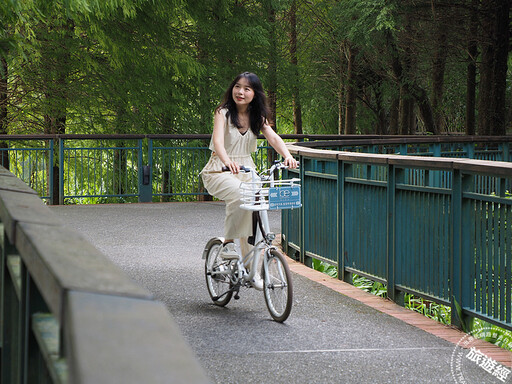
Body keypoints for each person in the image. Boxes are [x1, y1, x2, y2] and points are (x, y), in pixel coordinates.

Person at [201, 72, 298, 289]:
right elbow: (218, 142)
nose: (240, 92)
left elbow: (272, 137)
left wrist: (287, 156)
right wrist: (228, 162)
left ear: (255, 94)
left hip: (247, 170)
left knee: (255, 210)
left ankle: (250, 269)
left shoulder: (257, 117)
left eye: (247, 89)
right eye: (237, 87)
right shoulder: (223, 113)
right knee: (240, 194)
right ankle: (227, 243)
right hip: (220, 169)